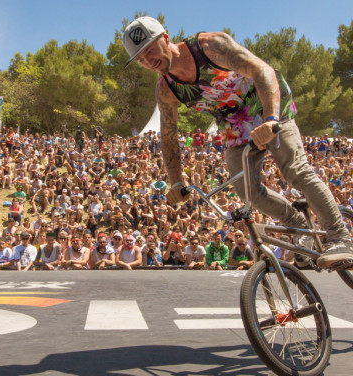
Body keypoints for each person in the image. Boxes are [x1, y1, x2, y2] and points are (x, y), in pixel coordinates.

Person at [122, 16, 353, 270]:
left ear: (165, 39)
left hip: (266, 103)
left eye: (150, 50)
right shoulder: (166, 89)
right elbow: (168, 137)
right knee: (246, 191)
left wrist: (271, 119)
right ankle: (297, 223)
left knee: (295, 170)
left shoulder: (208, 46)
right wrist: (176, 180)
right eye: (141, 59)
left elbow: (261, 70)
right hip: (235, 122)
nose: (148, 60)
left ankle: (340, 236)